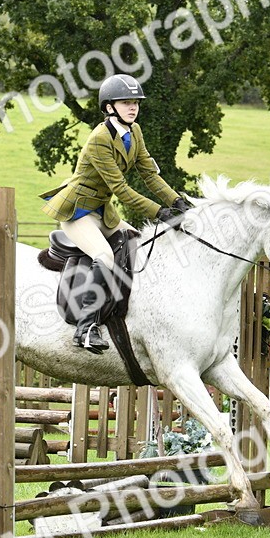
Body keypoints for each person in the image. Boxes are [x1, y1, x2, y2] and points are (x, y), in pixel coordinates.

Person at [40, 73, 192, 353]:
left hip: (102, 211)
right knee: (104, 256)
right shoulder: (99, 138)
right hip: (78, 212)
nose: (133, 107)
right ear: (109, 107)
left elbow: (149, 174)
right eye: (126, 103)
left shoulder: (135, 132)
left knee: (139, 243)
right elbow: (121, 189)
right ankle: (86, 328)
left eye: (136, 103)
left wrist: (177, 201)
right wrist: (160, 212)